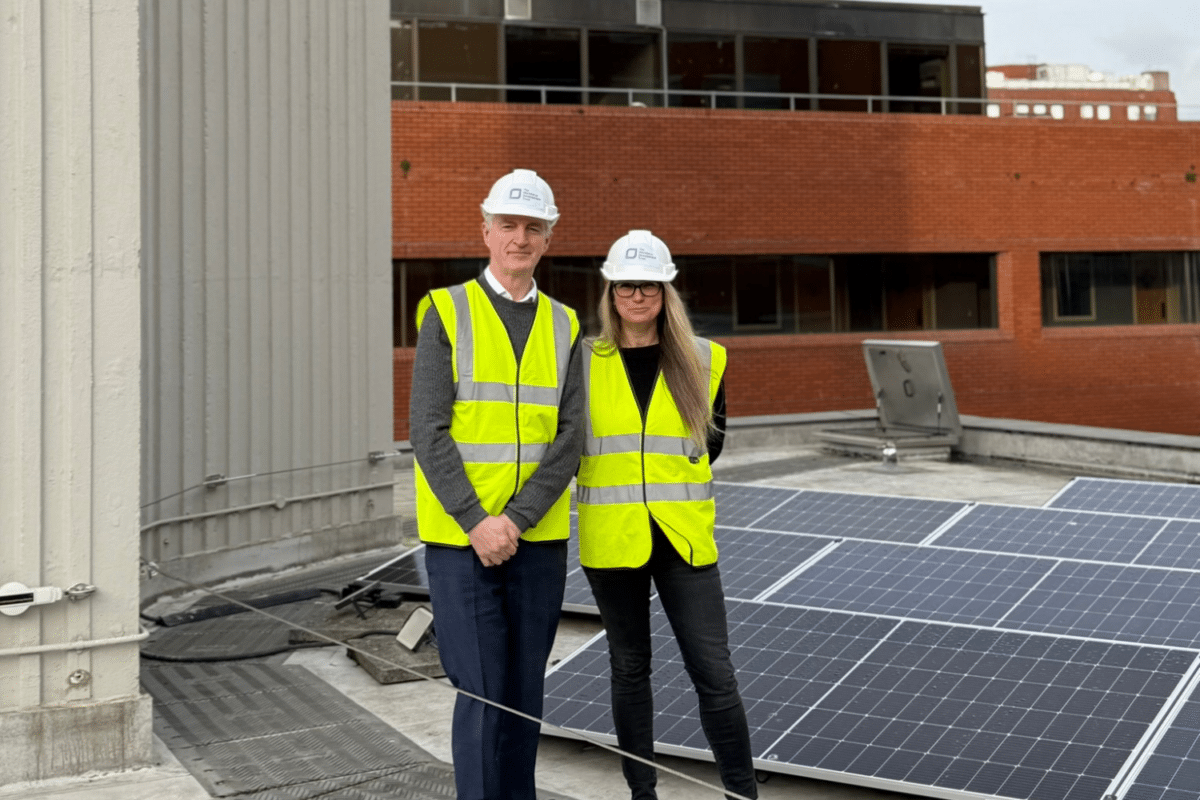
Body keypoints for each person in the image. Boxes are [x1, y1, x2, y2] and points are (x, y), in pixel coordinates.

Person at [409, 169, 584, 800]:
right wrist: (478, 522)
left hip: (535, 542)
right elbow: (427, 431)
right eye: (508, 225)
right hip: (463, 543)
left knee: (524, 695)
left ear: (548, 238)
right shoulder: (446, 311)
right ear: (485, 230)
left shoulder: (566, 325)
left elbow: (571, 437)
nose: (519, 238)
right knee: (482, 691)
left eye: (532, 227)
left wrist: (516, 519)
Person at [577, 230, 757, 800]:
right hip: (613, 539)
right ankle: (642, 794)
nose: (637, 296)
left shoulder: (705, 358)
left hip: (683, 540)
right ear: (610, 292)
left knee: (715, 674)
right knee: (629, 671)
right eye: (626, 285)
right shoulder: (579, 363)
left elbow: (713, 443)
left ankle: (742, 793)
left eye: (648, 286)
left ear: (665, 291)